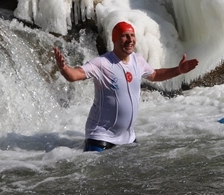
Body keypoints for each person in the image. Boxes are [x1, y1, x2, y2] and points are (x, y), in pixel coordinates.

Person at [53, 21, 199, 152]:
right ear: (114, 39)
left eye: (132, 35)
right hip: (100, 137)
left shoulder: (138, 60)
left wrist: (178, 70)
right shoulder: (102, 63)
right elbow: (74, 75)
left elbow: (155, 75)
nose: (130, 40)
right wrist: (64, 68)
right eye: (124, 35)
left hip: (128, 139)